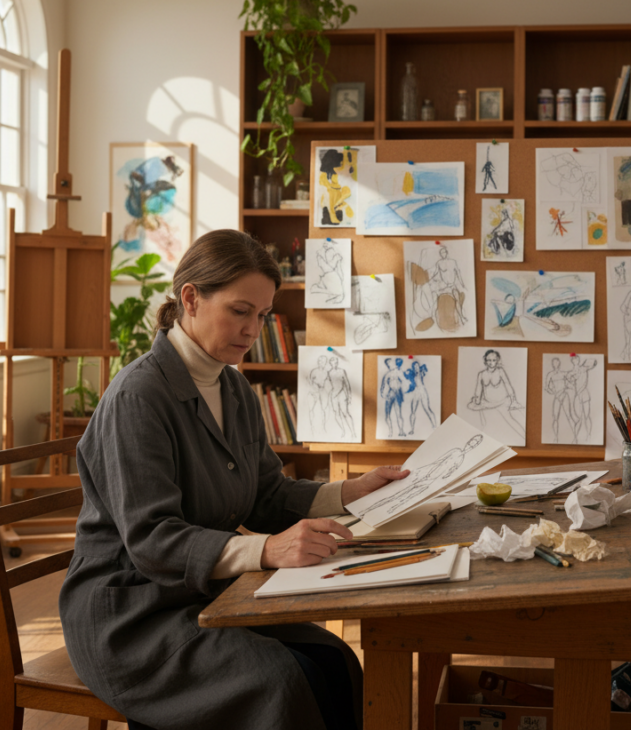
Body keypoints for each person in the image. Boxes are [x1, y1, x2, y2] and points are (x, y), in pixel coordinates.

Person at [60, 229, 408, 730]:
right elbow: (153, 541)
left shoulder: (233, 386)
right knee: (281, 680)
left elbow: (267, 495)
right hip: (131, 617)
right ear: (190, 299)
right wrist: (268, 550)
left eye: (263, 315)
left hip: (202, 596)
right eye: (240, 311)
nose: (253, 329)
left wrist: (350, 492)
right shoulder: (138, 397)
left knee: (338, 664)